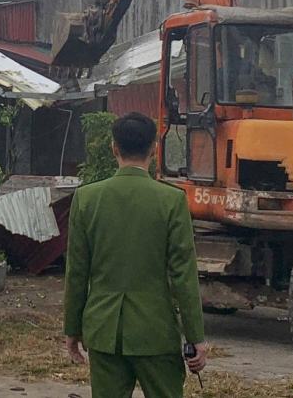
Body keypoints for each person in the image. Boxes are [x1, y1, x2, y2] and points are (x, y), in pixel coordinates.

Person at [63, 112, 207, 398]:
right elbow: (184, 276)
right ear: (154, 148)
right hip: (155, 332)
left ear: (114, 147)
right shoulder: (172, 200)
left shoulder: (86, 199)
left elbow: (77, 272)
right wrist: (196, 337)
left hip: (103, 331)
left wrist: (72, 329)